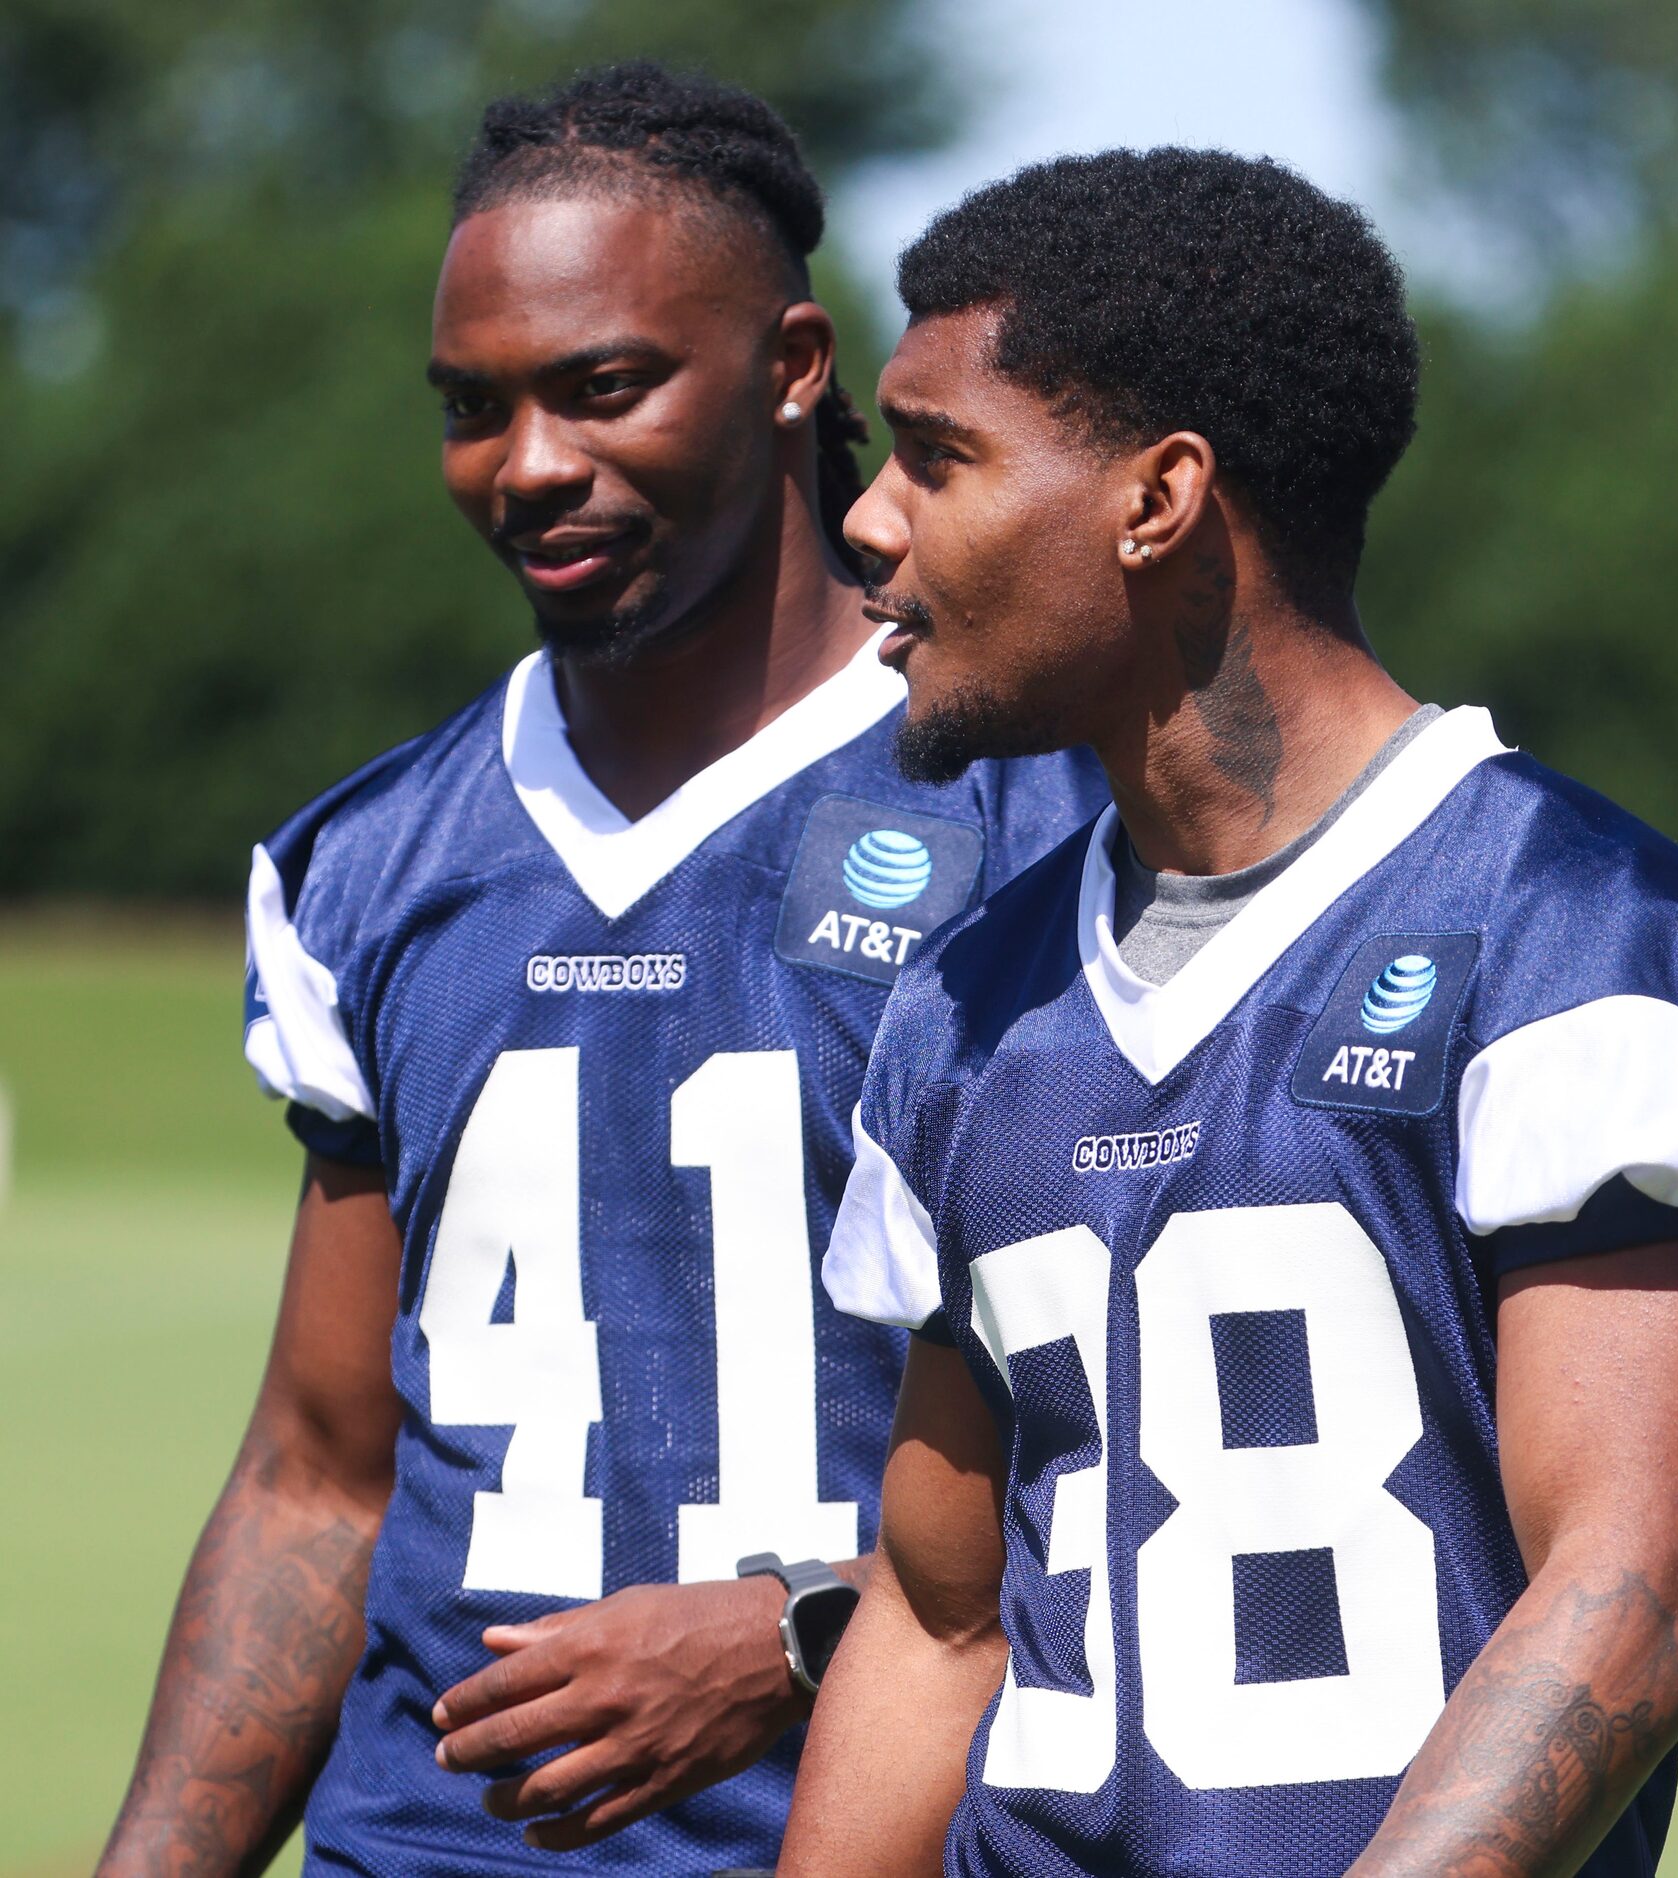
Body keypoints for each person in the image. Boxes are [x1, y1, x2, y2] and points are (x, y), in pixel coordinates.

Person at [775, 148, 1678, 1876]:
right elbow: (933, 1622)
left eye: (938, 456)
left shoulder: (1589, 937)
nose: (867, 517)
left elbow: (1632, 1597)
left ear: (1159, 499)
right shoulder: (960, 1005)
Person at [97, 64, 1105, 1875]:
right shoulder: (368, 860)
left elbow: (1173, 1463)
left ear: (795, 366)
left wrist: (797, 1629)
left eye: (604, 386)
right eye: (474, 408)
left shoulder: (1047, 824)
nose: (531, 462)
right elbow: (321, 1472)